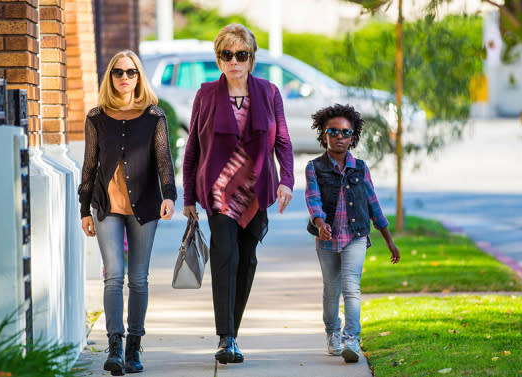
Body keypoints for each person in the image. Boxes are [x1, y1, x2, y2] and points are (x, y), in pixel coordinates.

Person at [182, 23, 294, 364]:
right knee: (225, 257)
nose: (233, 61)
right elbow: (193, 148)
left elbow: (284, 142)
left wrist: (286, 180)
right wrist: (188, 196)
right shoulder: (205, 94)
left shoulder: (269, 93)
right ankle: (225, 337)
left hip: (256, 190)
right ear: (218, 59)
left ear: (251, 58)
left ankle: (233, 332)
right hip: (218, 192)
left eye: (240, 55)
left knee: (247, 260)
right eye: (226, 55)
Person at [78, 49, 176, 375]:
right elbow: (89, 166)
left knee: (138, 279)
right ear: (111, 77)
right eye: (118, 72)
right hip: (106, 207)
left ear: (139, 77)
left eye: (131, 72)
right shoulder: (96, 117)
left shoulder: (153, 117)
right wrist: (84, 210)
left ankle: (135, 346)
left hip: (145, 206)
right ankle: (115, 347)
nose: (124, 78)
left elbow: (164, 161)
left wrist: (170, 196)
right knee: (113, 276)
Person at [304, 104, 400, 363]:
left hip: (355, 236)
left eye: (345, 133)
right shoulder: (314, 167)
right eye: (332, 131)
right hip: (326, 239)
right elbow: (312, 199)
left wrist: (389, 240)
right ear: (323, 135)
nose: (339, 137)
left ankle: (351, 339)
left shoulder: (361, 168)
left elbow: (373, 204)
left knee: (351, 287)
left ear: (353, 137)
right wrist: (320, 222)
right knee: (331, 290)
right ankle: (332, 333)